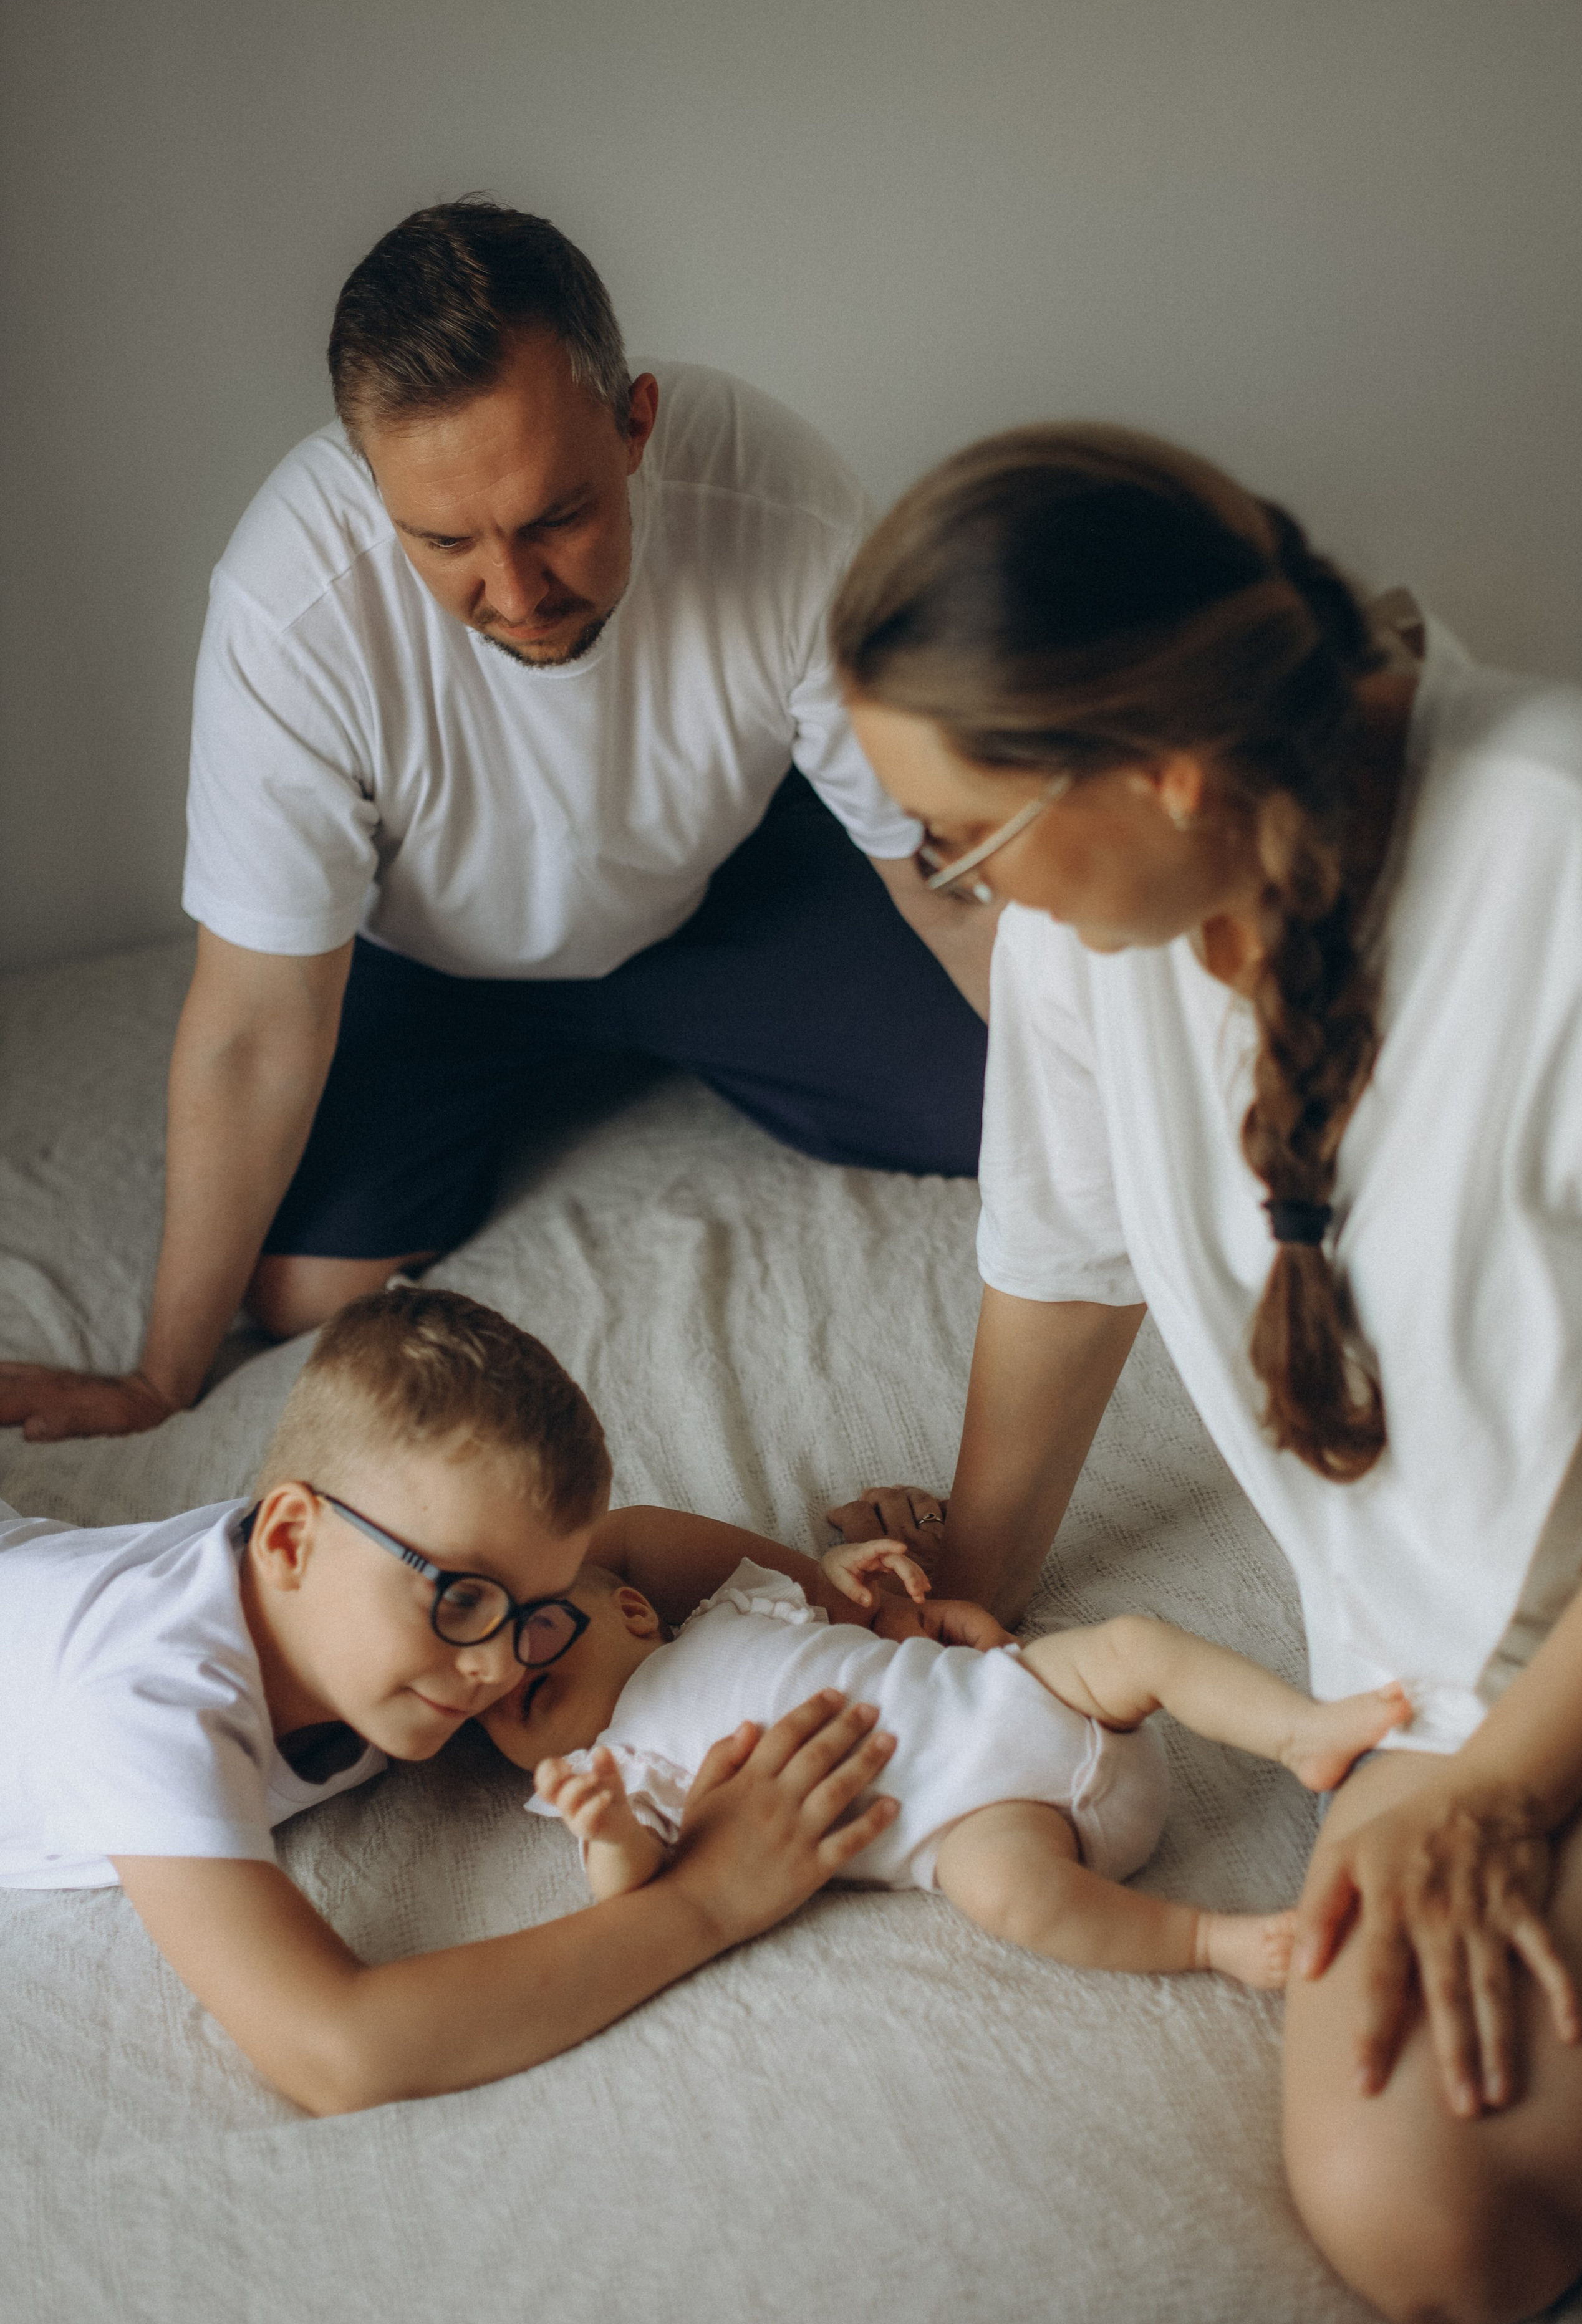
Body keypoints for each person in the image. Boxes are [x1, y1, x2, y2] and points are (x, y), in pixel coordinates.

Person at [821, 424, 1582, 2324]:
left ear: (1163, 766)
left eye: (962, 841)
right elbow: (1068, 1262)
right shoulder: (1112, 933)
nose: (952, 885)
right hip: (1459, 1677)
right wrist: (963, 1614)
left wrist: (1504, 1793)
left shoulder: (1563, 860)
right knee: (1426, 2220)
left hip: (1549, 1674)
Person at [0, 199, 995, 1448]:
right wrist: (160, 1379)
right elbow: (259, 1023)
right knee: (297, 1293)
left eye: (552, 518)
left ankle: (676, 1032)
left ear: (633, 424)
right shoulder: (289, 606)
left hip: (729, 893)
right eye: (444, 540)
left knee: (1003, 1107)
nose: (515, 594)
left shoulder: (780, 498)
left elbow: (945, 880)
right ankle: (576, 1054)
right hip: (440, 967)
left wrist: (1164, 1134)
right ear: (372, 489)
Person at [0, 1284, 916, 2113]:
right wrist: (711, 1900)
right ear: (286, 1541)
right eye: (464, 1597)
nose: (499, 1669)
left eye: (536, 1613)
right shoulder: (148, 1705)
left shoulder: (354, 1573)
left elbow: (628, 1549)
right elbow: (338, 2052)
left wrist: (854, 1611)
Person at [483, 1540, 1409, 1987]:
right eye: (485, 1708)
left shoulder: (731, 1610)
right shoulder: (622, 1766)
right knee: (1006, 1901)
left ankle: (1300, 1729)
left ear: (636, 1614)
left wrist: (855, 1577)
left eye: (536, 1630)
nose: (502, 1671)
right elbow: (630, 1896)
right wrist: (605, 1828)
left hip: (1022, 1691)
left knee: (1132, 1644)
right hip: (981, 1820)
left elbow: (852, 1621)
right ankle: (1210, 1943)